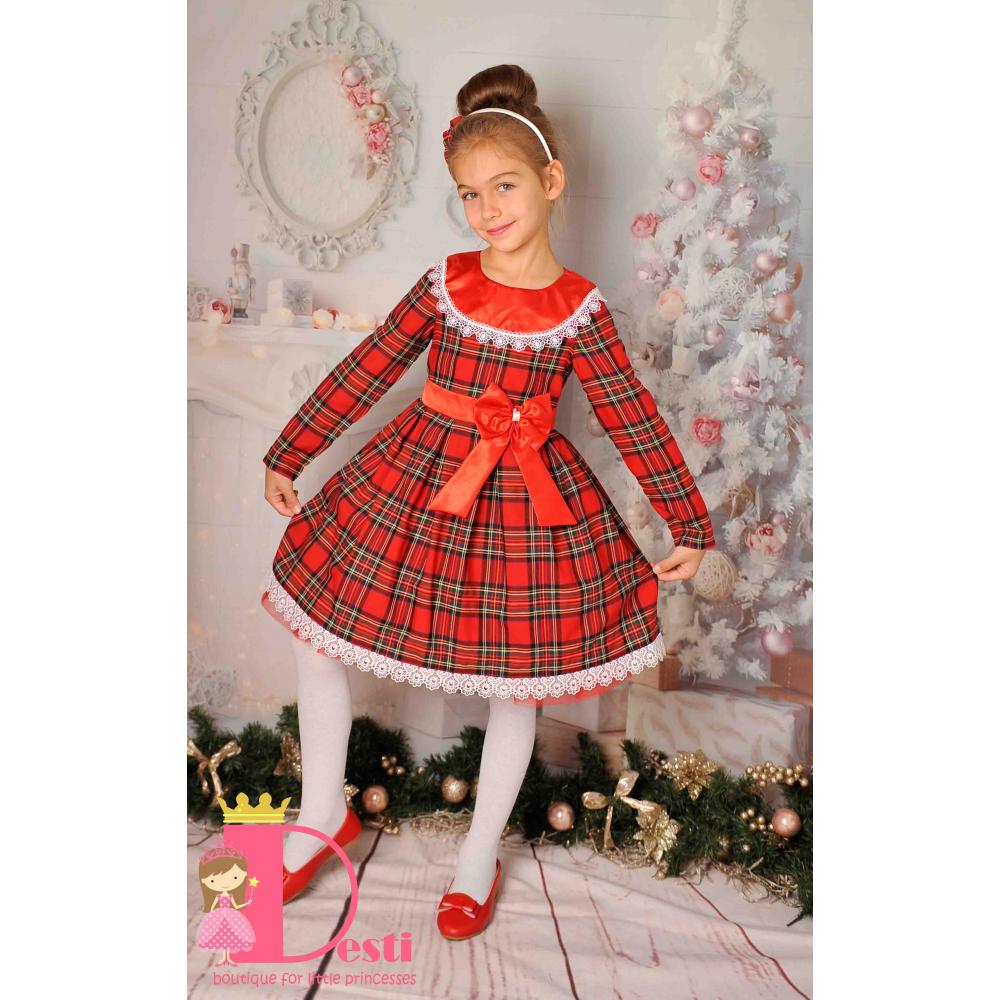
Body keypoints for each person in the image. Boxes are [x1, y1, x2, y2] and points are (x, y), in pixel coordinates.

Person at [260, 64, 715, 939]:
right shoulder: (447, 283)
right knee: (317, 631)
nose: (487, 209)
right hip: (419, 481)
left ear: (551, 180)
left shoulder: (579, 310)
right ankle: (322, 813)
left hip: (528, 508)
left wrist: (687, 520)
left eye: (504, 186)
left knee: (519, 681)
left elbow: (631, 417)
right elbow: (368, 368)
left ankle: (477, 856)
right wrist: (293, 448)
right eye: (470, 194)